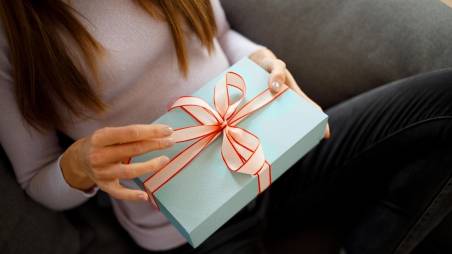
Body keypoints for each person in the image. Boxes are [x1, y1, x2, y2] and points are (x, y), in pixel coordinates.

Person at [0, 1, 451, 253]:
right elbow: (34, 177)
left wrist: (263, 59)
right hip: (190, 225)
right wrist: (78, 168)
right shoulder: (11, 31)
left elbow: (216, 36)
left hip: (274, 150)